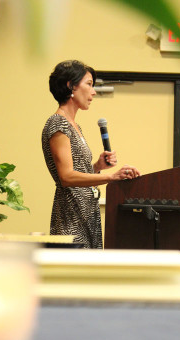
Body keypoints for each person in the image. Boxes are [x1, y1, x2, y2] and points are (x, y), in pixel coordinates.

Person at [42, 60, 140, 249]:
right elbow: (66, 177)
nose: (93, 92)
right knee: (75, 276)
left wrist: (97, 168)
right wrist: (112, 177)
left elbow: (76, 170)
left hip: (86, 213)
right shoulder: (58, 124)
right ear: (71, 86)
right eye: (89, 84)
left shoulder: (74, 126)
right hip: (71, 216)